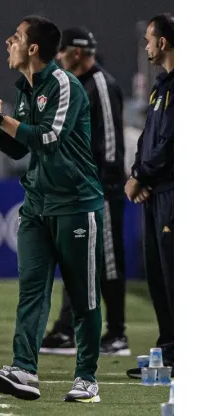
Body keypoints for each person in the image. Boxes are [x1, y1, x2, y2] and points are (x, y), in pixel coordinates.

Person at [0, 16, 104, 403]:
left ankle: (87, 378)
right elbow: (19, 148)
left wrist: (0, 118)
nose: (7, 43)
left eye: (15, 38)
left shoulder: (64, 84)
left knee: (83, 295)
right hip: (38, 205)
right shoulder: (26, 89)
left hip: (77, 205)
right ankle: (25, 370)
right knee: (31, 291)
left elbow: (49, 139)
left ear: (33, 49)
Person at [40, 27, 129, 357]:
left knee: (107, 261)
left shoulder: (101, 84)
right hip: (81, 189)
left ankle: (117, 333)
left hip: (101, 190)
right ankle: (67, 330)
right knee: (76, 258)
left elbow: (110, 144)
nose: (59, 57)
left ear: (76, 52)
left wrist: (103, 184)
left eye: (62, 51)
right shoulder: (77, 84)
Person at [124, 13, 174, 379]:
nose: (146, 45)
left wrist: (141, 175)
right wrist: (137, 175)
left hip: (173, 192)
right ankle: (169, 351)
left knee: (176, 275)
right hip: (154, 191)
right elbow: (147, 138)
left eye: (149, 38)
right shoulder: (161, 87)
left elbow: (172, 143)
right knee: (157, 274)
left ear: (164, 42)